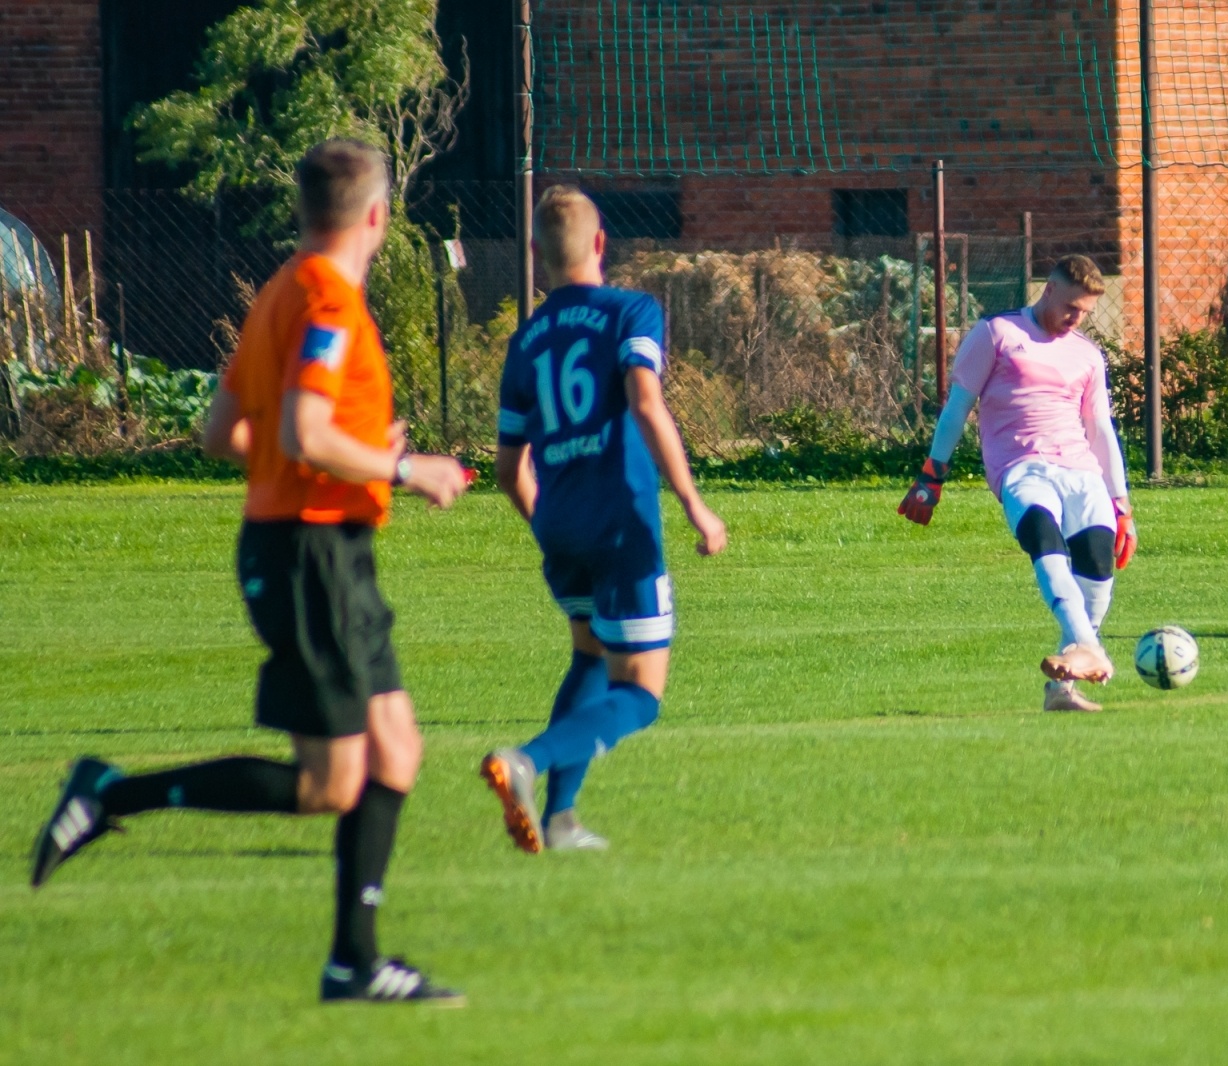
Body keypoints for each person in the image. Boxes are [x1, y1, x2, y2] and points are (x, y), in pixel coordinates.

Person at [29, 139, 470, 1003]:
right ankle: (113, 794)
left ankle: (355, 963)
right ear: (378, 215)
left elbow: (224, 431)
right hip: (309, 555)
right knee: (331, 783)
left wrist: (344, 454)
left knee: (396, 751)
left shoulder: (279, 292)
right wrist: (401, 467)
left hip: (322, 548)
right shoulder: (329, 303)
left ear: (303, 211)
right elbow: (303, 432)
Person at [480, 186, 726, 853]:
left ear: (536, 254)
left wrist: (548, 524)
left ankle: (560, 821)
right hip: (621, 525)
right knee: (640, 695)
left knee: (589, 657)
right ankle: (525, 761)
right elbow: (645, 402)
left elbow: (507, 468)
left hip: (560, 525)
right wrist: (694, 504)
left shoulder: (526, 340)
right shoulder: (630, 311)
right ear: (599, 243)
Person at [899, 254, 1136, 712]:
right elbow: (957, 407)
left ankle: (1063, 688)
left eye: (1085, 312)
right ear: (1049, 289)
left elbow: (1101, 429)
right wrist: (933, 473)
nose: (1076, 318)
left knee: (1097, 564)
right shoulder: (997, 332)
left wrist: (1121, 504)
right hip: (1022, 467)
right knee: (1044, 541)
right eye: (1071, 307)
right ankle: (1091, 649)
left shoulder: (1087, 354)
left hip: (1081, 470)